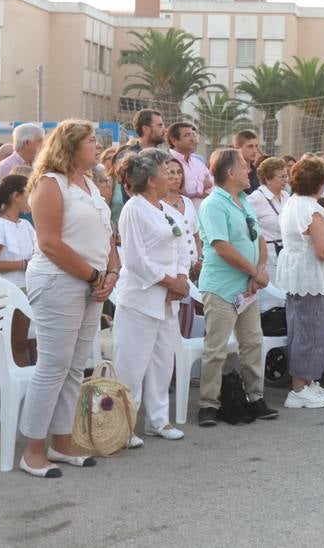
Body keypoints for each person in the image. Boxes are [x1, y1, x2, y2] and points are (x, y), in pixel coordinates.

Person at [19, 120, 117, 479]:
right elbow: (49, 243)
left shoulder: (90, 185)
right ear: (71, 146)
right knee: (53, 364)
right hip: (59, 280)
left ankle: (62, 441)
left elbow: (106, 235)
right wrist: (93, 276)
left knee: (76, 365)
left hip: (91, 284)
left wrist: (111, 274)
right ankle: (32, 450)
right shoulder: (50, 184)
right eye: (91, 141)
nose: (97, 146)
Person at [114, 150, 191, 444]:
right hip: (141, 298)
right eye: (163, 170)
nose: (169, 175)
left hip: (168, 299)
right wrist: (169, 281)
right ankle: (123, 425)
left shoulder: (166, 209)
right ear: (150, 179)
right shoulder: (134, 209)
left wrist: (181, 279)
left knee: (162, 362)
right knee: (132, 364)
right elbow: (135, 260)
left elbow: (182, 247)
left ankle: (158, 420)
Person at [196, 148, 277, 427]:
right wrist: (254, 271)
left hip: (248, 287)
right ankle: (208, 404)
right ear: (230, 173)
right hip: (221, 287)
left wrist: (260, 271)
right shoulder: (213, 204)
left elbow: (259, 239)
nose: (249, 171)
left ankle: (255, 397)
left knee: (253, 342)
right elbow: (221, 247)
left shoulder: (243, 200)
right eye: (244, 167)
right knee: (216, 348)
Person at [276, 157, 324, 409]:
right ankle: (298, 388)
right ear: (321, 183)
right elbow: (323, 251)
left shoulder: (292, 203)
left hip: (301, 275)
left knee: (304, 329)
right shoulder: (314, 210)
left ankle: (307, 381)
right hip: (314, 277)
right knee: (312, 332)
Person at [0, 174, 37, 366]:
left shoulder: (26, 225)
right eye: (29, 192)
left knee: (22, 342)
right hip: (5, 293)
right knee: (13, 343)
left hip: (25, 290)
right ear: (16, 196)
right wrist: (22, 264)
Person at [161, 154, 202, 338]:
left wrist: (199, 260)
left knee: (188, 322)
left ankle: (182, 365)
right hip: (174, 271)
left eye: (179, 172)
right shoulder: (158, 205)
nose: (176, 176)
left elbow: (195, 234)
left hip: (193, 269)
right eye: (170, 172)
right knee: (170, 322)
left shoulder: (187, 201)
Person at [247, 157, 287, 310]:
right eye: (281, 176)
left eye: (286, 175)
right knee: (270, 301)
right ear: (268, 179)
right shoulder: (255, 199)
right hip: (267, 255)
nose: (286, 180)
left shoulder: (286, 197)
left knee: (285, 298)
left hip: (285, 254)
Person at [168, 122, 213, 209]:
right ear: (174, 140)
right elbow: (179, 189)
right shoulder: (166, 161)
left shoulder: (198, 161)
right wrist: (202, 186)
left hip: (200, 216)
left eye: (194, 135)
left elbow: (211, 185)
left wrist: (194, 190)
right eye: (187, 135)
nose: (193, 139)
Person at [233, 129, 262, 193]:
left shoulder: (259, 173)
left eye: (256, 146)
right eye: (250, 146)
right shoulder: (231, 174)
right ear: (238, 148)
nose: (255, 150)